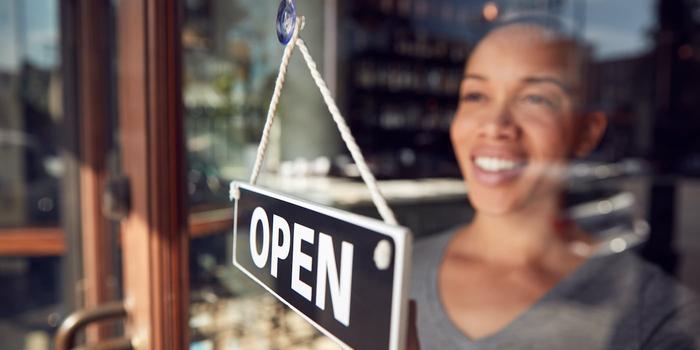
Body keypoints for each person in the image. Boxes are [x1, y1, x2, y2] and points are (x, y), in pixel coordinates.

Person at [410, 17, 700, 350]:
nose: (494, 125)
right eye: (476, 95)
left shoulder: (658, 318)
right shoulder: (391, 273)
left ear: (588, 132)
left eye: (536, 99)